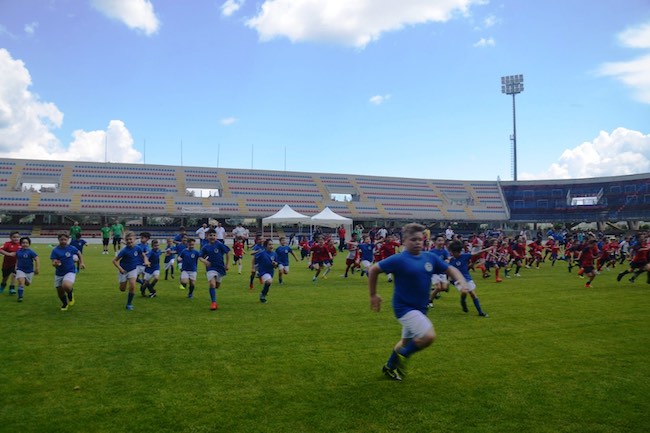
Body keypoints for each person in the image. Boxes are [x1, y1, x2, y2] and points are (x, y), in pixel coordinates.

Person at [368, 223, 468, 381]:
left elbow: (451, 270)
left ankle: (389, 367)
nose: (418, 242)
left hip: (420, 309)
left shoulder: (429, 258)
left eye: (420, 240)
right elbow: (373, 269)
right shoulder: (399, 259)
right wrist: (373, 295)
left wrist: (462, 282)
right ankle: (404, 357)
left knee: (405, 342)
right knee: (428, 336)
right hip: (404, 308)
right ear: (405, 241)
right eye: (413, 239)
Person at [447, 240, 491, 317]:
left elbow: (477, 253)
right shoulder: (451, 260)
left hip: (467, 278)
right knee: (464, 292)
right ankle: (463, 301)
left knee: (473, 294)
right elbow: (449, 270)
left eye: (455, 252)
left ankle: (480, 312)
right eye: (452, 252)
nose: (453, 254)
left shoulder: (465, 256)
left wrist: (487, 249)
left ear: (459, 251)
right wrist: (448, 280)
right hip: (458, 279)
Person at [113, 232, 149, 310]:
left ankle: (129, 304)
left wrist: (146, 261)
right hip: (124, 271)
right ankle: (132, 281)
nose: (129, 241)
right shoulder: (124, 251)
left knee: (132, 286)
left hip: (133, 270)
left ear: (134, 239)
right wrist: (120, 269)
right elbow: (114, 261)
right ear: (125, 240)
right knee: (122, 289)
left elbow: (143, 255)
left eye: (130, 239)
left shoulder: (138, 248)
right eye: (127, 239)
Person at [51, 233, 84, 310]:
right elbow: (53, 262)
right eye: (61, 239)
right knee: (60, 292)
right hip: (59, 273)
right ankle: (65, 304)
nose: (63, 241)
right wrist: (56, 264)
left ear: (68, 240)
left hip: (70, 271)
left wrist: (82, 262)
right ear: (58, 240)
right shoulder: (55, 250)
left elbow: (79, 253)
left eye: (65, 239)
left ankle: (70, 295)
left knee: (66, 285)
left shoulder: (71, 248)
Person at [199, 229, 231, 310]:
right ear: (207, 237)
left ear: (216, 236)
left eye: (214, 235)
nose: (212, 237)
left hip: (220, 268)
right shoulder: (205, 247)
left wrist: (227, 264)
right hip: (210, 268)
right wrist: (204, 261)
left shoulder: (219, 244)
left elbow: (227, 252)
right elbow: (200, 257)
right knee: (212, 284)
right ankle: (213, 303)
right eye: (210, 235)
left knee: (217, 286)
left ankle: (214, 295)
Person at [15, 236, 39, 302]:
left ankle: (25, 278)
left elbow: (36, 258)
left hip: (29, 271)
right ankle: (20, 297)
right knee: (20, 282)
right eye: (23, 243)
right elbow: (17, 259)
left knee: (27, 284)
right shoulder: (18, 251)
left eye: (26, 243)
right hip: (20, 269)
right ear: (20, 244)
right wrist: (16, 267)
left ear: (29, 244)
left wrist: (37, 268)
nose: (25, 244)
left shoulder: (31, 252)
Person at [257, 239, 278, 303]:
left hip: (270, 271)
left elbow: (276, 266)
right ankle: (263, 295)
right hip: (263, 271)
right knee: (269, 282)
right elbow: (254, 258)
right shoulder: (262, 253)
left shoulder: (274, 254)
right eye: (269, 244)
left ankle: (263, 294)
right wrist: (253, 268)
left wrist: (275, 264)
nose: (271, 246)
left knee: (268, 283)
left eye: (272, 244)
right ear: (266, 246)